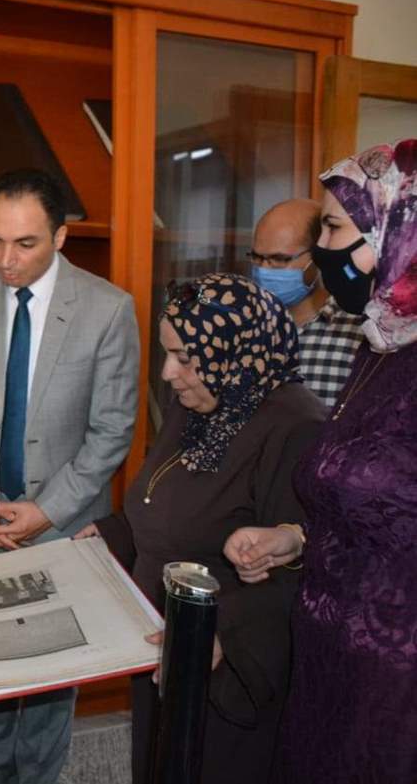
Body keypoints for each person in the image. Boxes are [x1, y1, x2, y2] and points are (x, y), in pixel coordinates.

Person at [82, 273, 325, 784]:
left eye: (184, 358)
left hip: (225, 667)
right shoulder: (201, 401)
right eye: (167, 354)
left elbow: (304, 573)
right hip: (162, 642)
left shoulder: (295, 425)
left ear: (233, 353)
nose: (168, 372)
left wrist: (217, 634)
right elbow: (166, 507)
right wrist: (108, 536)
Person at [224, 138, 417, 782]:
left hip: (397, 676)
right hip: (330, 651)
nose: (325, 249)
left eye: (334, 229)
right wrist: (295, 537)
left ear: (399, 230)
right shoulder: (379, 346)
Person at [0, 169, 140, 784]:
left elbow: (112, 430)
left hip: (63, 525)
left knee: (51, 691)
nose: (5, 260)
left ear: (60, 236)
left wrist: (46, 510)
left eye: (24, 243)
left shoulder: (108, 308)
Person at [248, 198, 364, 406]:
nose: (263, 269)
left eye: (280, 259)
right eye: (256, 258)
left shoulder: (359, 332)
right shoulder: (241, 327)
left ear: (319, 255)